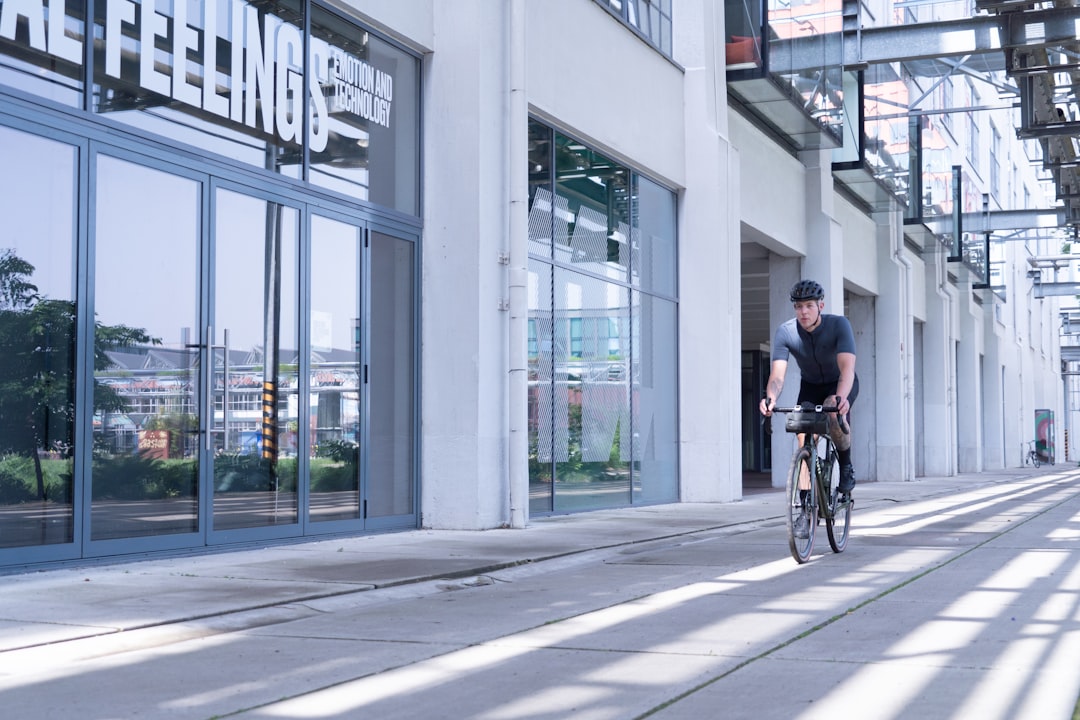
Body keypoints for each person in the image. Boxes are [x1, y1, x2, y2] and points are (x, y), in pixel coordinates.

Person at [759, 279, 858, 538]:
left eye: (809, 306)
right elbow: (777, 376)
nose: (803, 311)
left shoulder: (839, 325)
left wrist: (840, 398)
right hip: (811, 386)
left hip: (840, 384)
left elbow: (848, 368)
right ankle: (805, 506)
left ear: (820, 306)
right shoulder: (786, 332)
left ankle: (846, 466)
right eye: (798, 306)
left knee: (832, 411)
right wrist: (770, 398)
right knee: (803, 436)